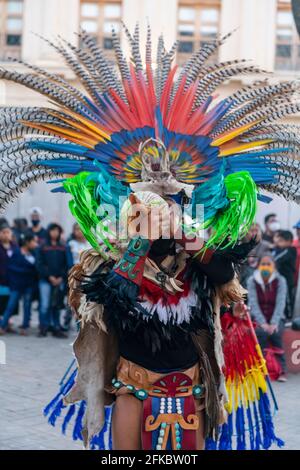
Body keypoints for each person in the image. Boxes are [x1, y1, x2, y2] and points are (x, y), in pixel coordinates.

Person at [1, 24, 296, 450]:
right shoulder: (115, 254)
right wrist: (141, 237)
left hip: (190, 381)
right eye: (149, 200)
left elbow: (222, 271)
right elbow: (111, 299)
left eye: (171, 198)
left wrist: (181, 230)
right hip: (133, 380)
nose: (162, 203)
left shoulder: (198, 253)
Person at [247, 255, 287, 381]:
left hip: (277, 317)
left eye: (268, 264)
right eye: (263, 264)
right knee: (261, 333)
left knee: (275, 333)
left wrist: (274, 323)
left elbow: (281, 303)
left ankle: (281, 371)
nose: (265, 267)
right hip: (259, 318)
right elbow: (253, 304)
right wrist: (263, 323)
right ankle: (261, 370)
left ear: (274, 266)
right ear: (258, 266)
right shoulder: (252, 280)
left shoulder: (280, 280)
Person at [0, 233, 38, 336]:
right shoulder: (16, 252)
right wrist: (28, 270)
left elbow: (37, 269)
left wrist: (28, 271)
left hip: (28, 285)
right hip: (16, 285)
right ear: (27, 242)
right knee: (11, 305)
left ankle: (24, 327)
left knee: (27, 306)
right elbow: (12, 268)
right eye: (34, 241)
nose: (35, 244)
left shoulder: (35, 253)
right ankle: (2, 326)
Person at [36, 223, 68, 338]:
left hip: (59, 280)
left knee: (57, 304)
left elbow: (67, 264)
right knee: (45, 305)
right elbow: (39, 264)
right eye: (52, 230)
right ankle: (43, 327)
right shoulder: (42, 246)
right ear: (48, 231)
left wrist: (61, 277)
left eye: (57, 230)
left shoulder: (63, 246)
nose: (54, 233)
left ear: (60, 232)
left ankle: (56, 327)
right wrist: (49, 276)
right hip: (45, 280)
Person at [273, 230, 297, 319]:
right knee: (281, 298)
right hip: (281, 279)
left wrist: (270, 263)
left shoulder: (290, 250)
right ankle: (283, 315)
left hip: (287, 280)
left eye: (281, 241)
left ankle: (289, 317)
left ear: (288, 241)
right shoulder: (281, 250)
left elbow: (277, 259)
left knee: (287, 299)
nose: (278, 243)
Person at [239, 222, 271, 287]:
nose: (254, 233)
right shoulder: (239, 246)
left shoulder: (266, 246)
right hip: (241, 280)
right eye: (251, 231)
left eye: (256, 230)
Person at [0, 222, 18, 319]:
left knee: (10, 302)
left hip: (12, 280)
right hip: (1, 280)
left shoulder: (15, 247)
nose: (6, 234)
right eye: (3, 232)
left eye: (8, 232)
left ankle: (8, 322)